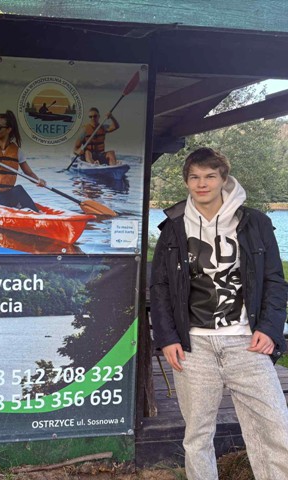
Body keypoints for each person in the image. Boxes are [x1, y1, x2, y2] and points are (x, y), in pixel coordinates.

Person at [150, 147, 288, 480]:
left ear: (223, 179)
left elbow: (274, 281)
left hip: (247, 343)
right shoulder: (173, 227)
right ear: (186, 181)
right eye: (194, 177)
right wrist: (167, 337)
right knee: (197, 435)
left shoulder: (255, 223)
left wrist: (270, 329)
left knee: (276, 428)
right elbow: (160, 287)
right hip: (193, 346)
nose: (202, 184)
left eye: (210, 176)